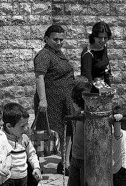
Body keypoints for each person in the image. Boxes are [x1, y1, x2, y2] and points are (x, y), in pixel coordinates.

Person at [33, 24, 75, 174]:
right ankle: (36, 164)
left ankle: (65, 163)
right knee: (43, 132)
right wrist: (43, 100)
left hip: (65, 101)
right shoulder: (44, 55)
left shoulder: (59, 54)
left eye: (61, 39)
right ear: (46, 39)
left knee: (67, 130)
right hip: (50, 101)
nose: (59, 42)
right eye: (55, 39)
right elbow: (39, 77)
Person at [81, 21, 112, 90]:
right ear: (94, 37)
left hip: (104, 89)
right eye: (100, 37)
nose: (103, 40)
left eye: (105, 37)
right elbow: (87, 81)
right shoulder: (88, 54)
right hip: (93, 93)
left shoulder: (103, 47)